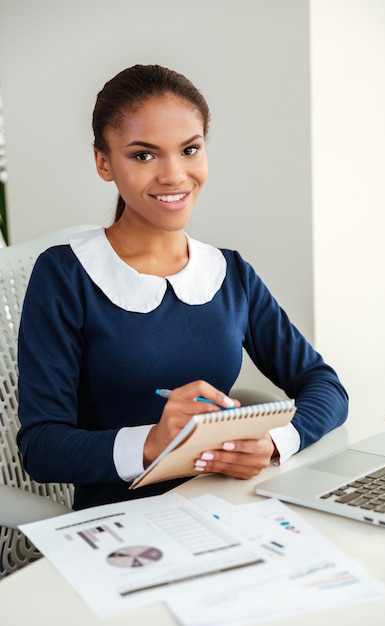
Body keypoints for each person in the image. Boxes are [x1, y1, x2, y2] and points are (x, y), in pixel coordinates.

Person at [17, 64, 348, 511]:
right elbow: (41, 447)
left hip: (231, 507)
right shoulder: (64, 276)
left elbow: (324, 385)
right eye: (143, 155)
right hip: (123, 530)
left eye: (190, 149)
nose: (174, 175)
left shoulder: (229, 272)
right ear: (104, 162)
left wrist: (275, 441)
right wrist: (153, 443)